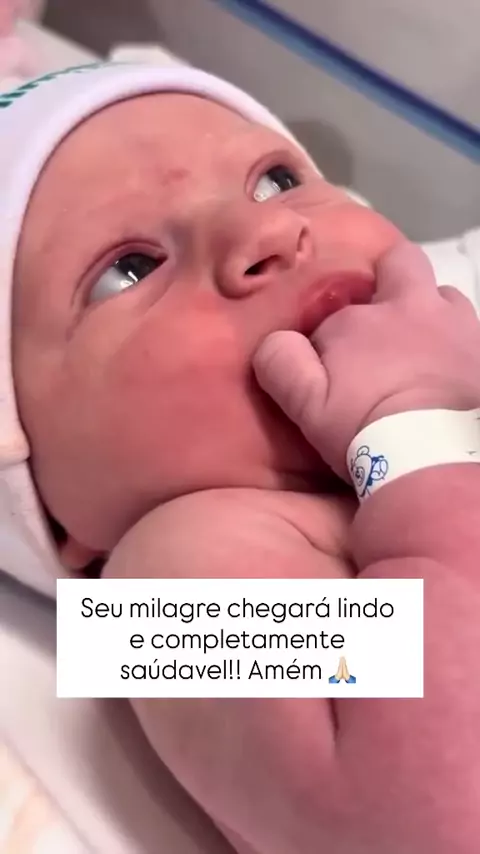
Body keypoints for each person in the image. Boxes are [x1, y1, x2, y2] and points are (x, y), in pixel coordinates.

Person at [2, 62, 480, 853]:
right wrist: (416, 426)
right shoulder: (156, 601)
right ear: (49, 513)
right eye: (130, 269)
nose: (266, 232)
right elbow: (443, 811)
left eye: (276, 180)